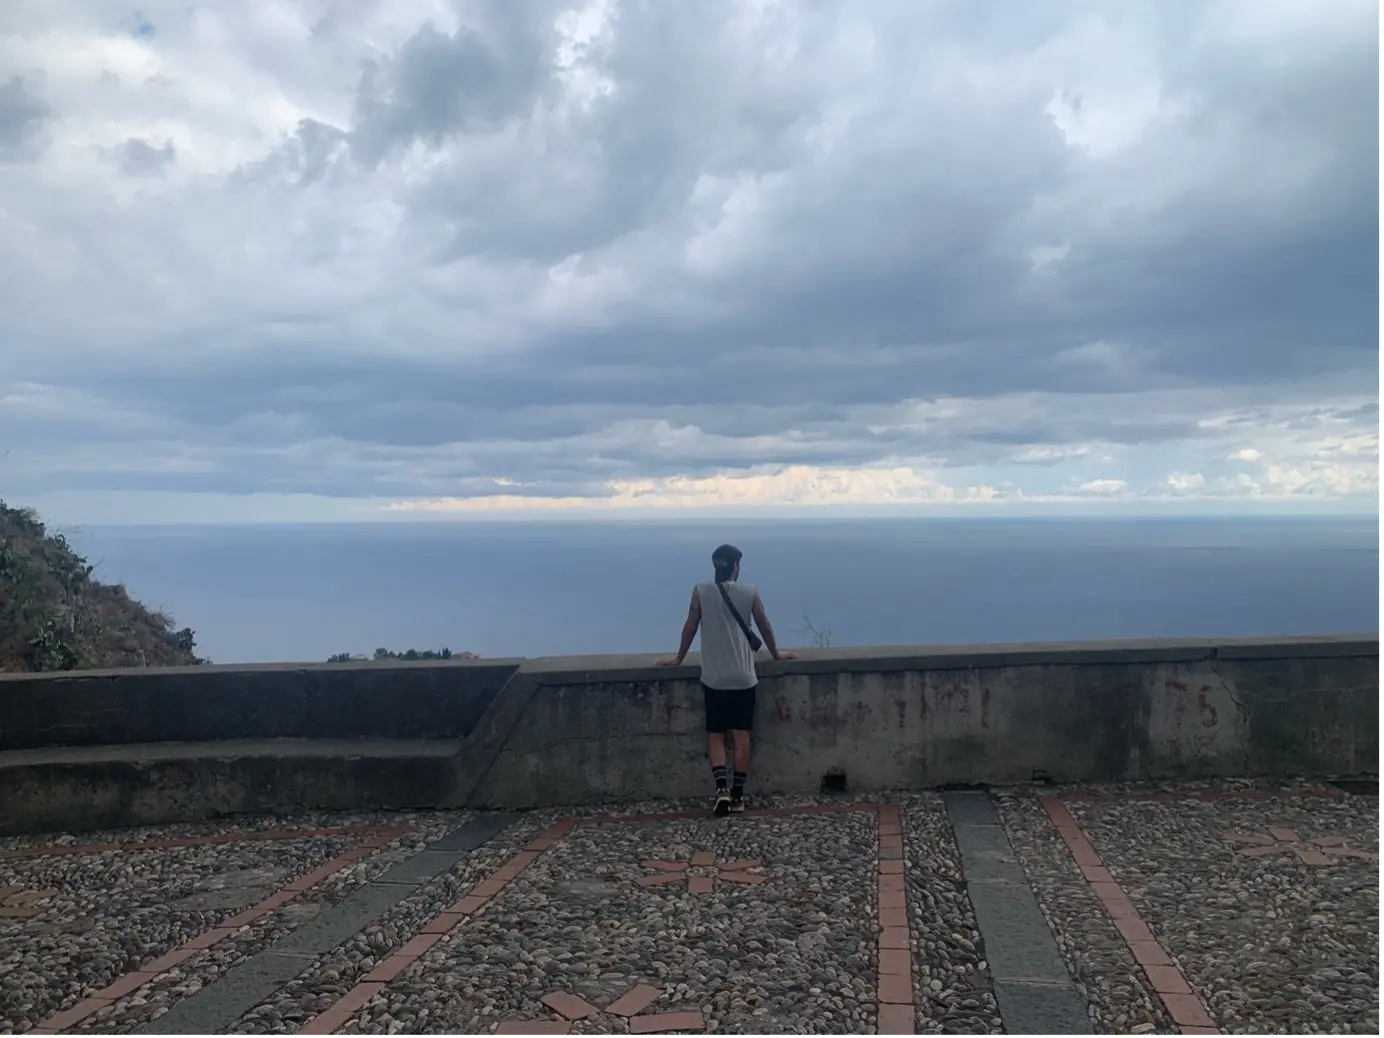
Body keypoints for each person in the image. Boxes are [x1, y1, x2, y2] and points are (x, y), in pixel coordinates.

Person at [658, 543, 796, 816]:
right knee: (741, 736)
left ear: (715, 566)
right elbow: (764, 626)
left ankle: (720, 789)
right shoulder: (750, 592)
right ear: (735, 565)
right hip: (744, 678)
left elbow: (690, 627)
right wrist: (777, 654)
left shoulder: (700, 591)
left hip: (714, 678)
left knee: (716, 735)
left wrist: (679, 658)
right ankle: (738, 795)